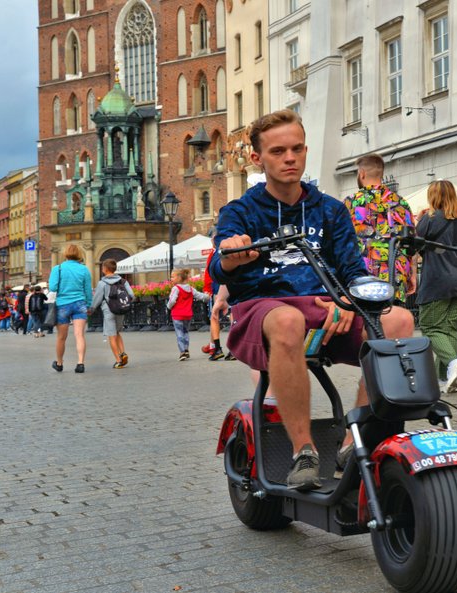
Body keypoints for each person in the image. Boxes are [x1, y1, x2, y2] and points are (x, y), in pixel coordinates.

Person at [211, 109, 414, 490]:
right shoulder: (240, 211)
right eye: (278, 151)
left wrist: (347, 302)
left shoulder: (330, 209)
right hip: (263, 309)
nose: (290, 157)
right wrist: (231, 255)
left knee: (399, 321)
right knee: (288, 319)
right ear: (257, 158)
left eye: (297, 148)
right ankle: (303, 450)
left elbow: (352, 271)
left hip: (325, 307)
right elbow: (218, 267)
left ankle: (354, 440)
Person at [412, 180, 457, 393]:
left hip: (437, 280)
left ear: (433, 197)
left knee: (431, 327)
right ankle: (445, 378)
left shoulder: (429, 220)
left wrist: (418, 221)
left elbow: (413, 247)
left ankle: (452, 363)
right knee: (449, 328)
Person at [343, 153, 415, 303]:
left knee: (368, 324)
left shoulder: (351, 203)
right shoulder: (401, 203)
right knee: (394, 323)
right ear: (381, 174)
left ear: (361, 173)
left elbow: (341, 242)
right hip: (395, 277)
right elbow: (410, 242)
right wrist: (411, 274)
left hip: (363, 280)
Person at [48, 244, 93, 373]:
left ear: (65, 254)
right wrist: (88, 304)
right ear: (79, 254)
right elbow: (88, 290)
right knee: (79, 335)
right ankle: (80, 363)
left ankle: (59, 363)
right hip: (80, 304)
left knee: (61, 337)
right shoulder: (84, 269)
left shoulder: (58, 268)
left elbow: (53, 287)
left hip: (63, 304)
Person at [90, 259, 134, 368]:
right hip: (121, 309)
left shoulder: (102, 283)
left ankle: (118, 360)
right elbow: (132, 295)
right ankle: (123, 353)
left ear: (104, 269)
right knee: (118, 332)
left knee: (111, 335)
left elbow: (97, 299)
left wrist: (91, 310)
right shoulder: (123, 281)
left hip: (108, 310)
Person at [166, 268, 211, 361]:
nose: (171, 278)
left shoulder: (176, 288)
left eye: (172, 276)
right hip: (187, 315)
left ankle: (182, 352)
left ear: (179, 278)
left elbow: (172, 300)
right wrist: (207, 296)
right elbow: (200, 296)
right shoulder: (190, 289)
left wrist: (169, 307)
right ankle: (186, 349)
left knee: (179, 333)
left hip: (177, 315)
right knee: (186, 332)